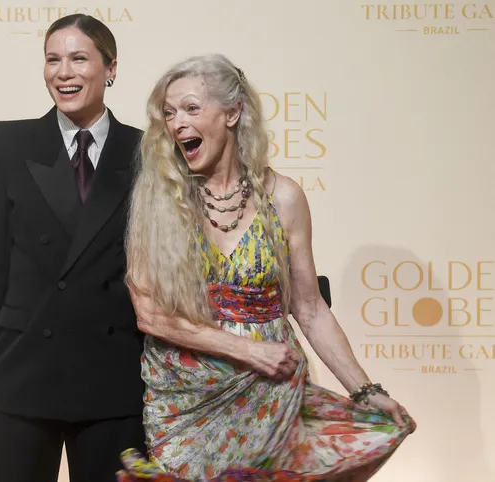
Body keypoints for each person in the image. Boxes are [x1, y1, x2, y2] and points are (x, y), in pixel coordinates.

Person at [115, 54, 416, 481]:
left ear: (233, 113)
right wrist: (249, 351)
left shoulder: (284, 198)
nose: (177, 123)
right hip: (188, 402)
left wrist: (364, 389)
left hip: (271, 394)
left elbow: (310, 309)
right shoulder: (157, 198)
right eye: (169, 113)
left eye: (191, 108)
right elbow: (151, 315)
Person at [0, 13, 147, 482]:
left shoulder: (145, 152)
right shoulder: (7, 142)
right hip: (21, 370)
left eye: (79, 59)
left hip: (114, 374)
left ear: (111, 68)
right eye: (52, 60)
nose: (64, 73)